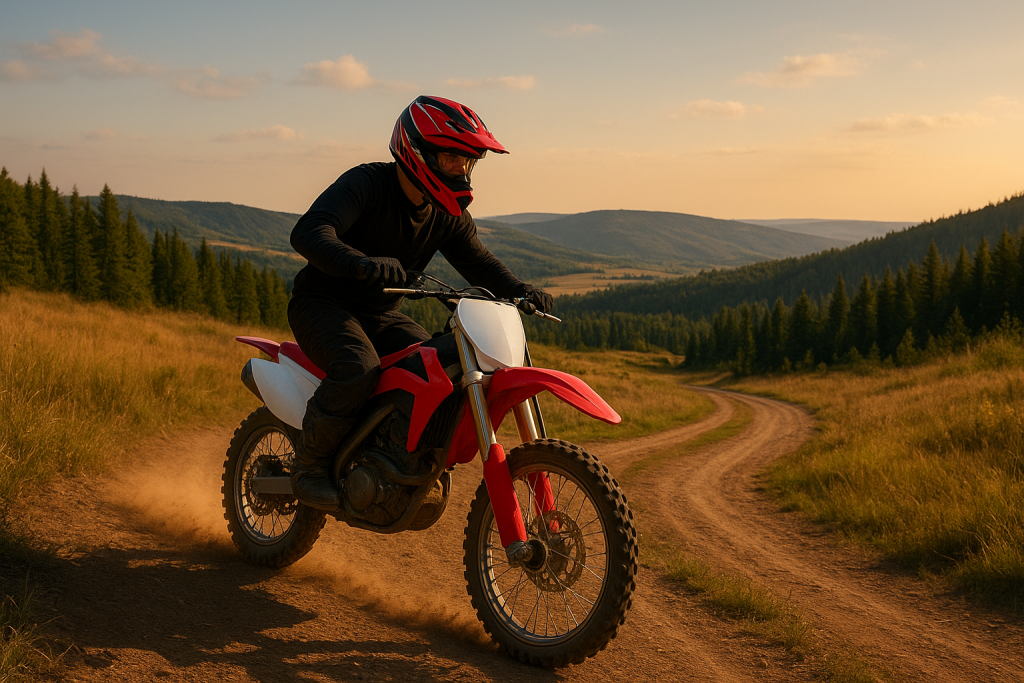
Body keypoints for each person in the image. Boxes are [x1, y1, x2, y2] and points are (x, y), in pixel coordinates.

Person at [287, 95, 554, 511]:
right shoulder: (367, 184)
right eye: (452, 158)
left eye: (468, 162)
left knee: (435, 366)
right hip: (322, 304)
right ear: (417, 151)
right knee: (358, 368)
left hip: (379, 314)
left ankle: (391, 459)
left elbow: (478, 262)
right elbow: (309, 232)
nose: (461, 170)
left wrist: (520, 291)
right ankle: (309, 468)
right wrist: (361, 264)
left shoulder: (445, 213)